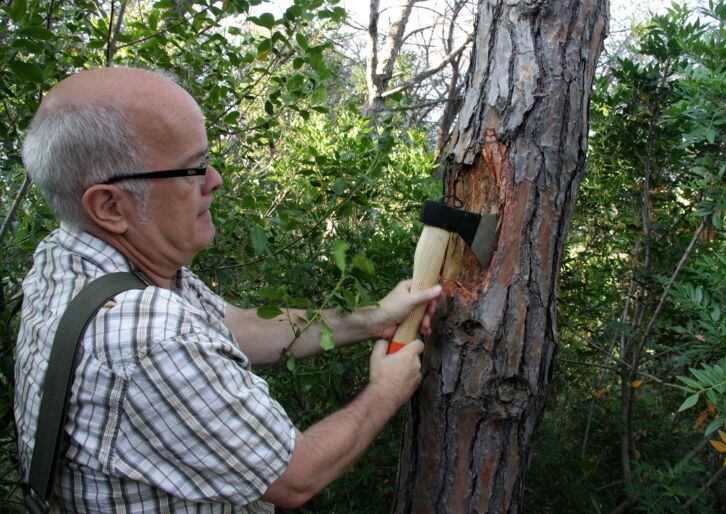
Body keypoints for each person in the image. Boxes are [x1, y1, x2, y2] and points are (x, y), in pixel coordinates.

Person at [15, 67, 441, 512]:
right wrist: (386, 390)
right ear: (109, 205)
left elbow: (234, 325)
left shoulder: (73, 255)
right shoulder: (148, 337)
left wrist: (369, 319)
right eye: (192, 168)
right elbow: (297, 475)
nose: (214, 179)